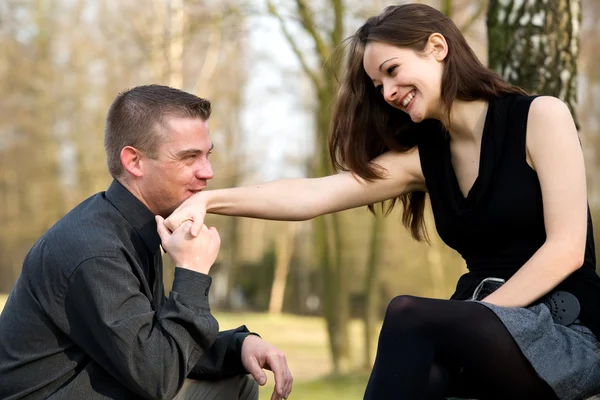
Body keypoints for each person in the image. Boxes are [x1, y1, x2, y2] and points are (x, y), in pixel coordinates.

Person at [163, 4, 600, 400]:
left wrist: (473, 319)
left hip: (564, 330)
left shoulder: (541, 117)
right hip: (483, 330)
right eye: (378, 85)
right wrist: (209, 199)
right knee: (419, 381)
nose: (388, 92)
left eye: (392, 71)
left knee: (407, 313)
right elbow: (316, 193)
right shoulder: (424, 160)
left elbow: (566, 250)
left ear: (437, 47)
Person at [0, 85, 293, 400]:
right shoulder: (95, 250)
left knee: (239, 376)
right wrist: (192, 274)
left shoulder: (135, 228)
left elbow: (150, 342)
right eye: (189, 157)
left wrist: (237, 346)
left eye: (207, 155)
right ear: (134, 162)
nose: (207, 172)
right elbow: (157, 378)